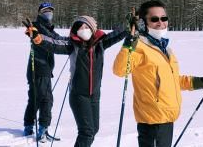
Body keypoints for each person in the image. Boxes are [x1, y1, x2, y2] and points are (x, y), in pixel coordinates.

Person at [113, 0, 203, 147]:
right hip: (152, 121)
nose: (160, 22)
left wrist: (200, 82)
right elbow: (120, 70)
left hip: (167, 118)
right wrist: (129, 43)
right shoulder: (139, 47)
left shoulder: (166, 49)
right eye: (154, 19)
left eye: (164, 18)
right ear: (144, 23)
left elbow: (172, 81)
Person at [25, 15, 128, 146]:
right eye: (79, 28)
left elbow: (116, 34)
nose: (83, 30)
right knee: (87, 132)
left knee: (94, 129)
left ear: (92, 29)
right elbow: (54, 44)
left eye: (86, 27)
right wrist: (39, 38)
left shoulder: (100, 43)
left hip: (95, 95)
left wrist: (128, 26)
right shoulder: (72, 44)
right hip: (79, 95)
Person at [23, 2, 69, 140]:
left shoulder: (46, 27)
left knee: (35, 99)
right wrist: (72, 44)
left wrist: (72, 39)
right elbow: (53, 41)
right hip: (40, 69)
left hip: (39, 69)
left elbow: (58, 38)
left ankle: (28, 126)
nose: (49, 13)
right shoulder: (38, 27)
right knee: (46, 100)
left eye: (50, 11)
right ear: (40, 13)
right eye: (45, 11)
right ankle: (43, 129)